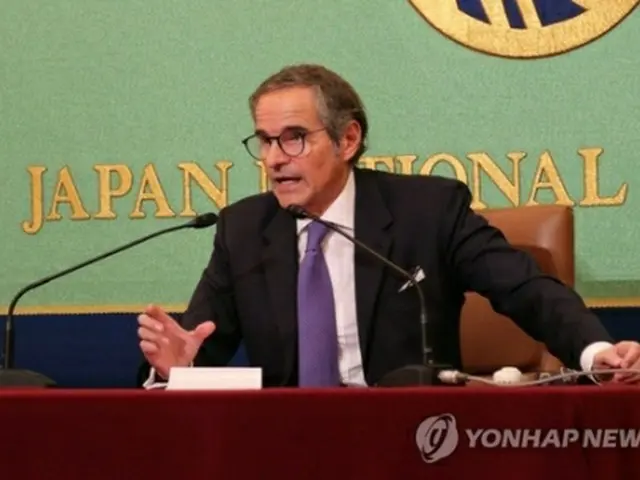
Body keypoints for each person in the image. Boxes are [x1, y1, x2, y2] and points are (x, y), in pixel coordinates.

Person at [137, 64, 640, 388]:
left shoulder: (429, 210)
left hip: (413, 441)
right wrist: (177, 370)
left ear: (347, 139)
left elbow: (525, 289)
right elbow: (195, 345)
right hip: (288, 447)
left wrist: (596, 352)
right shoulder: (244, 229)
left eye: (294, 138)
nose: (274, 159)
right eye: (265, 141)